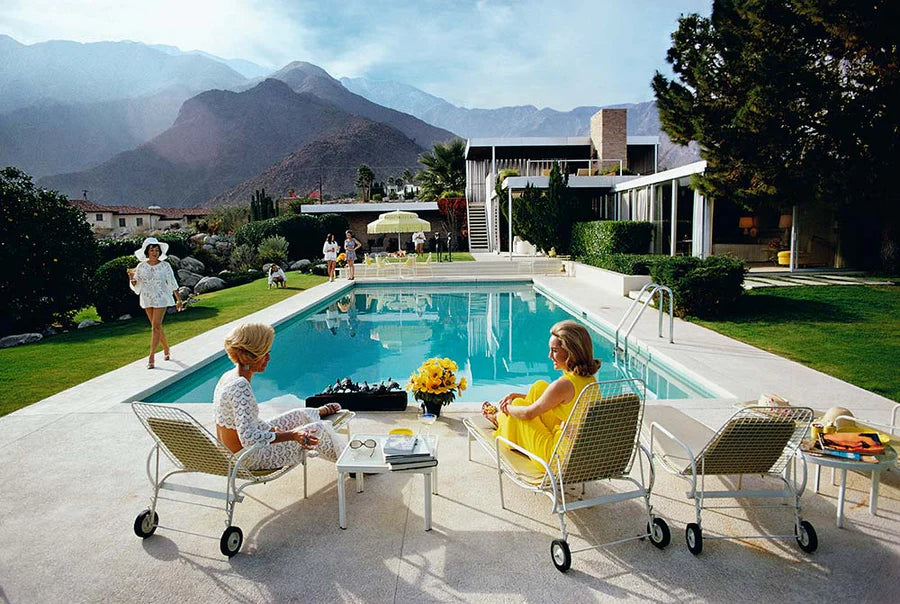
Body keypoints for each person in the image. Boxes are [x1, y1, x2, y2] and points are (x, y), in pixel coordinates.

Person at [213, 322, 346, 469]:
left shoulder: (228, 376)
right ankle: (351, 464)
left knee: (298, 414)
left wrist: (273, 431)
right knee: (319, 429)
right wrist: (292, 435)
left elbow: (246, 422)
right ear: (251, 356)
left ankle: (318, 412)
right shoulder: (240, 386)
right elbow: (248, 438)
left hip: (234, 452)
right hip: (248, 458)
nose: (269, 358)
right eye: (265, 354)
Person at [482, 320, 600, 468]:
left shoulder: (563, 385)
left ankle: (500, 419)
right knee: (539, 387)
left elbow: (528, 414)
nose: (549, 355)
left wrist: (508, 407)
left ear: (572, 353)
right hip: (578, 452)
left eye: (555, 350)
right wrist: (517, 395)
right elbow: (552, 400)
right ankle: (507, 423)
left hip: (555, 458)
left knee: (519, 406)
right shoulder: (589, 380)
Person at [128, 237, 182, 369]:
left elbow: (172, 283)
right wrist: (131, 279)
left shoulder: (165, 266)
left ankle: (151, 356)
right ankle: (166, 349)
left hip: (161, 297)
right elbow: (136, 283)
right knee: (156, 326)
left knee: (155, 326)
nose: (155, 252)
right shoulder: (141, 266)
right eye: (152, 250)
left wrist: (178, 299)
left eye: (157, 250)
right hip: (147, 298)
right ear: (147, 251)